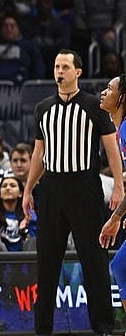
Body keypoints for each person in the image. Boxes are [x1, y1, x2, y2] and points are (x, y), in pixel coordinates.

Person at [23, 49, 123, 336]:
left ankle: (103, 326)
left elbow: (110, 146)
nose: (60, 71)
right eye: (56, 66)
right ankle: (42, 328)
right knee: (47, 262)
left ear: (77, 72)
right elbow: (38, 152)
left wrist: (118, 185)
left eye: (65, 66)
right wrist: (28, 189)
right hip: (52, 188)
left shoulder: (94, 105)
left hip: (85, 187)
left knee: (94, 259)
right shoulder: (42, 108)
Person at [99, 73, 126, 325]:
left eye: (109, 88)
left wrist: (116, 216)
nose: (103, 92)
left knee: (121, 266)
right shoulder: (120, 130)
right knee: (121, 267)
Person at [0, 176, 36, 251]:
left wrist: (24, 231)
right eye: (4, 186)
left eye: (13, 186)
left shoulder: (29, 215)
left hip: (24, 259)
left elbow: (32, 245)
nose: (8, 188)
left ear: (20, 193)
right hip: (1, 260)